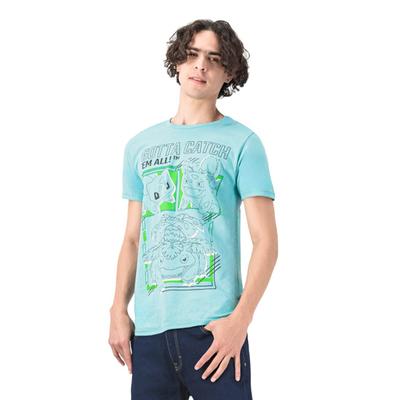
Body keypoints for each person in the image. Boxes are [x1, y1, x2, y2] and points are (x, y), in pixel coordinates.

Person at [109, 19, 278, 400]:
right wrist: (118, 309)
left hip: (215, 332)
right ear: (178, 61)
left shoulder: (243, 143)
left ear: (228, 72)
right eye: (192, 54)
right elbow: (133, 238)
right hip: (149, 334)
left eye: (214, 59)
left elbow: (266, 241)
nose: (201, 65)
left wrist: (240, 320)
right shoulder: (140, 146)